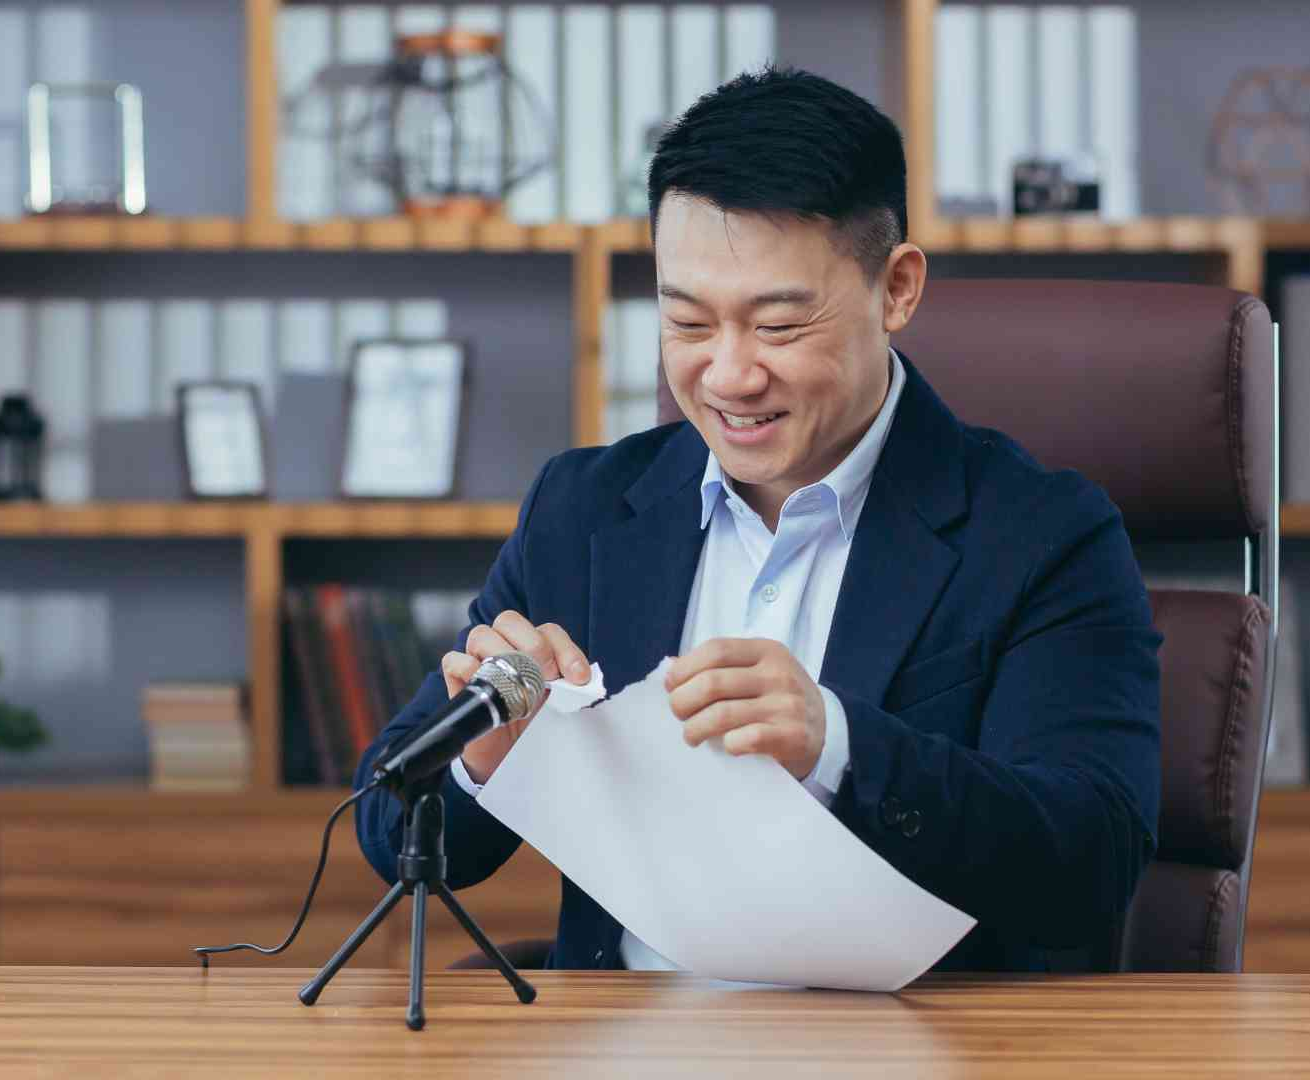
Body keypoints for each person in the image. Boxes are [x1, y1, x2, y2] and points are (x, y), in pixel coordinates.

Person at [354, 66, 1161, 973]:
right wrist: (483, 758)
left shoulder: (1042, 532)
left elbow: (1091, 861)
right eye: (688, 323)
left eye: (777, 326)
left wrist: (839, 746)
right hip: (622, 1044)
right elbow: (390, 828)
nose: (728, 376)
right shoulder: (581, 512)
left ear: (896, 288)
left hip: (915, 1047)